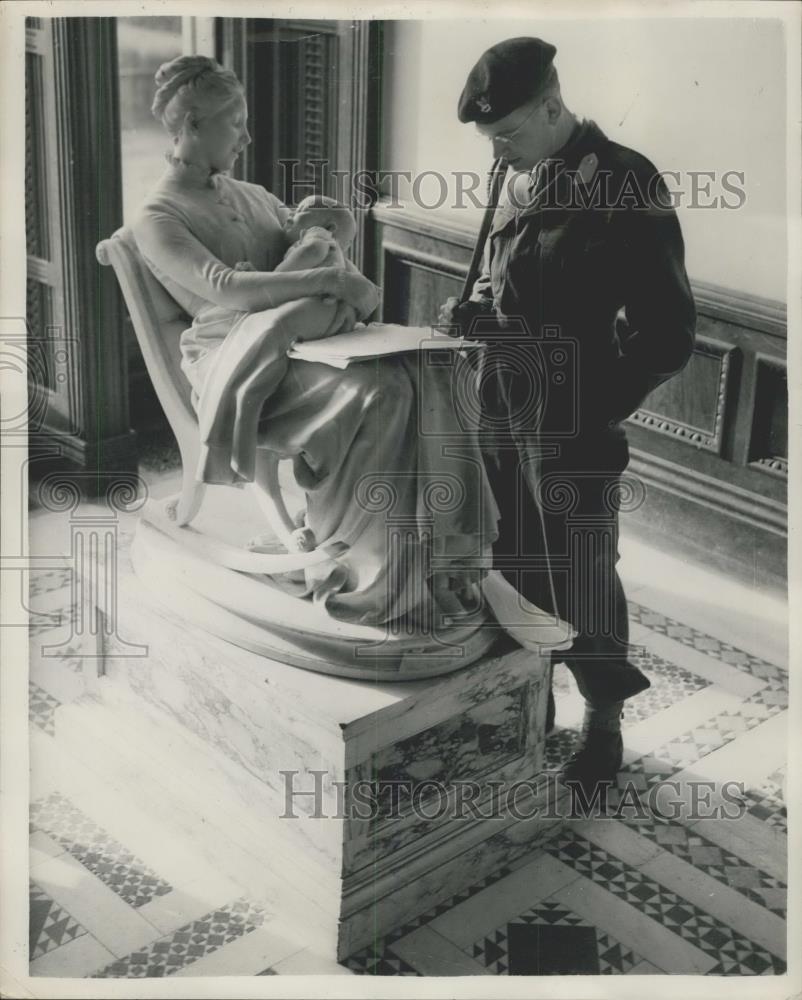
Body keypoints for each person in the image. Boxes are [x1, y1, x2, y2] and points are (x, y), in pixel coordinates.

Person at [132, 55, 499, 633]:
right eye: (235, 123)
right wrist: (326, 279)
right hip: (237, 352)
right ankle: (371, 578)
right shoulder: (157, 215)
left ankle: (434, 564)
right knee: (379, 395)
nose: (248, 136)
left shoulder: (249, 193)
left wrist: (321, 247)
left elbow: (319, 233)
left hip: (308, 340)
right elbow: (226, 289)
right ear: (194, 126)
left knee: (427, 377)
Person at [440, 37, 696, 789]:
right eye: (491, 141)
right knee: (513, 568)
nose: (499, 153)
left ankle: (603, 724)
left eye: (508, 135)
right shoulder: (516, 174)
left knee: (584, 574)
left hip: (571, 423)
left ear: (553, 107)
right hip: (498, 411)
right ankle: (530, 708)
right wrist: (483, 313)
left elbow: (668, 333)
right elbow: (514, 286)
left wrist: (592, 408)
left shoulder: (624, 181)